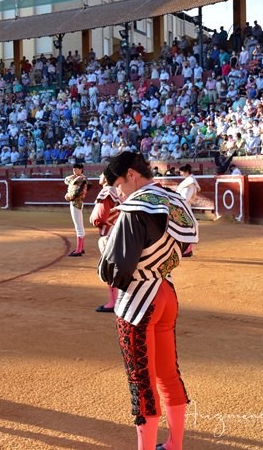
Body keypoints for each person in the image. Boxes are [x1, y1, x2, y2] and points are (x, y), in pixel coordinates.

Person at [98, 151, 198, 450]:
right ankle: (174, 444)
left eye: (117, 183)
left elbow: (114, 271)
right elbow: (186, 249)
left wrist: (105, 245)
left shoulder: (135, 209)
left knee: (141, 382)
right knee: (169, 374)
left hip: (139, 301)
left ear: (131, 174)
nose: (117, 191)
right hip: (166, 291)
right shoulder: (173, 200)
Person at [89, 173, 120, 312]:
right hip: (118, 231)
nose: (99, 177)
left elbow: (98, 218)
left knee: (110, 269)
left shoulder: (107, 192)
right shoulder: (118, 190)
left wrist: (93, 220)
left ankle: (114, 303)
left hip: (109, 234)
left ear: (106, 178)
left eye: (101, 175)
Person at [176, 164, 200, 258]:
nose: (181, 173)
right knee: (186, 227)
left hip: (184, 207)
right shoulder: (189, 181)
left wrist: (181, 203)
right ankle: (187, 250)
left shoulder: (190, 182)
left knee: (186, 227)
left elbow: (186, 197)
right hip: (184, 206)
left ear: (186, 171)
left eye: (181, 172)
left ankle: (187, 250)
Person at [64, 162, 89, 256]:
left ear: (81, 169)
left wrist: (68, 196)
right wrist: (70, 177)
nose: (74, 170)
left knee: (78, 226)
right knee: (79, 226)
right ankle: (80, 248)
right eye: (73, 169)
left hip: (76, 203)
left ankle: (79, 250)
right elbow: (66, 180)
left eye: (76, 169)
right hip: (76, 203)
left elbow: (76, 192)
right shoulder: (79, 178)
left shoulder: (81, 178)